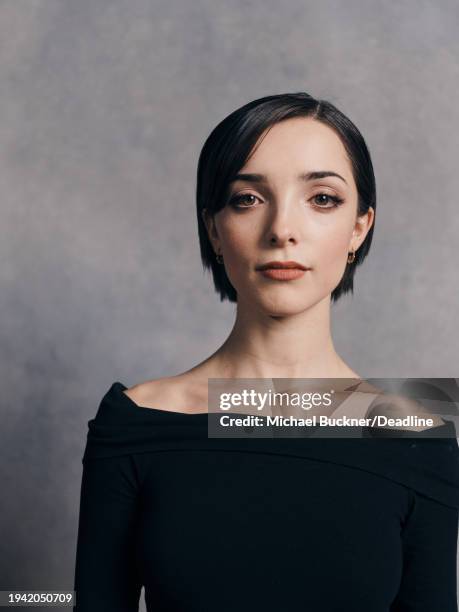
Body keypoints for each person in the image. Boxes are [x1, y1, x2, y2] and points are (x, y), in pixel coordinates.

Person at [73, 93, 459, 611]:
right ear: (213, 228)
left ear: (359, 227)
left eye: (322, 198)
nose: (282, 231)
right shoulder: (136, 421)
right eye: (247, 199)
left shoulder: (422, 438)